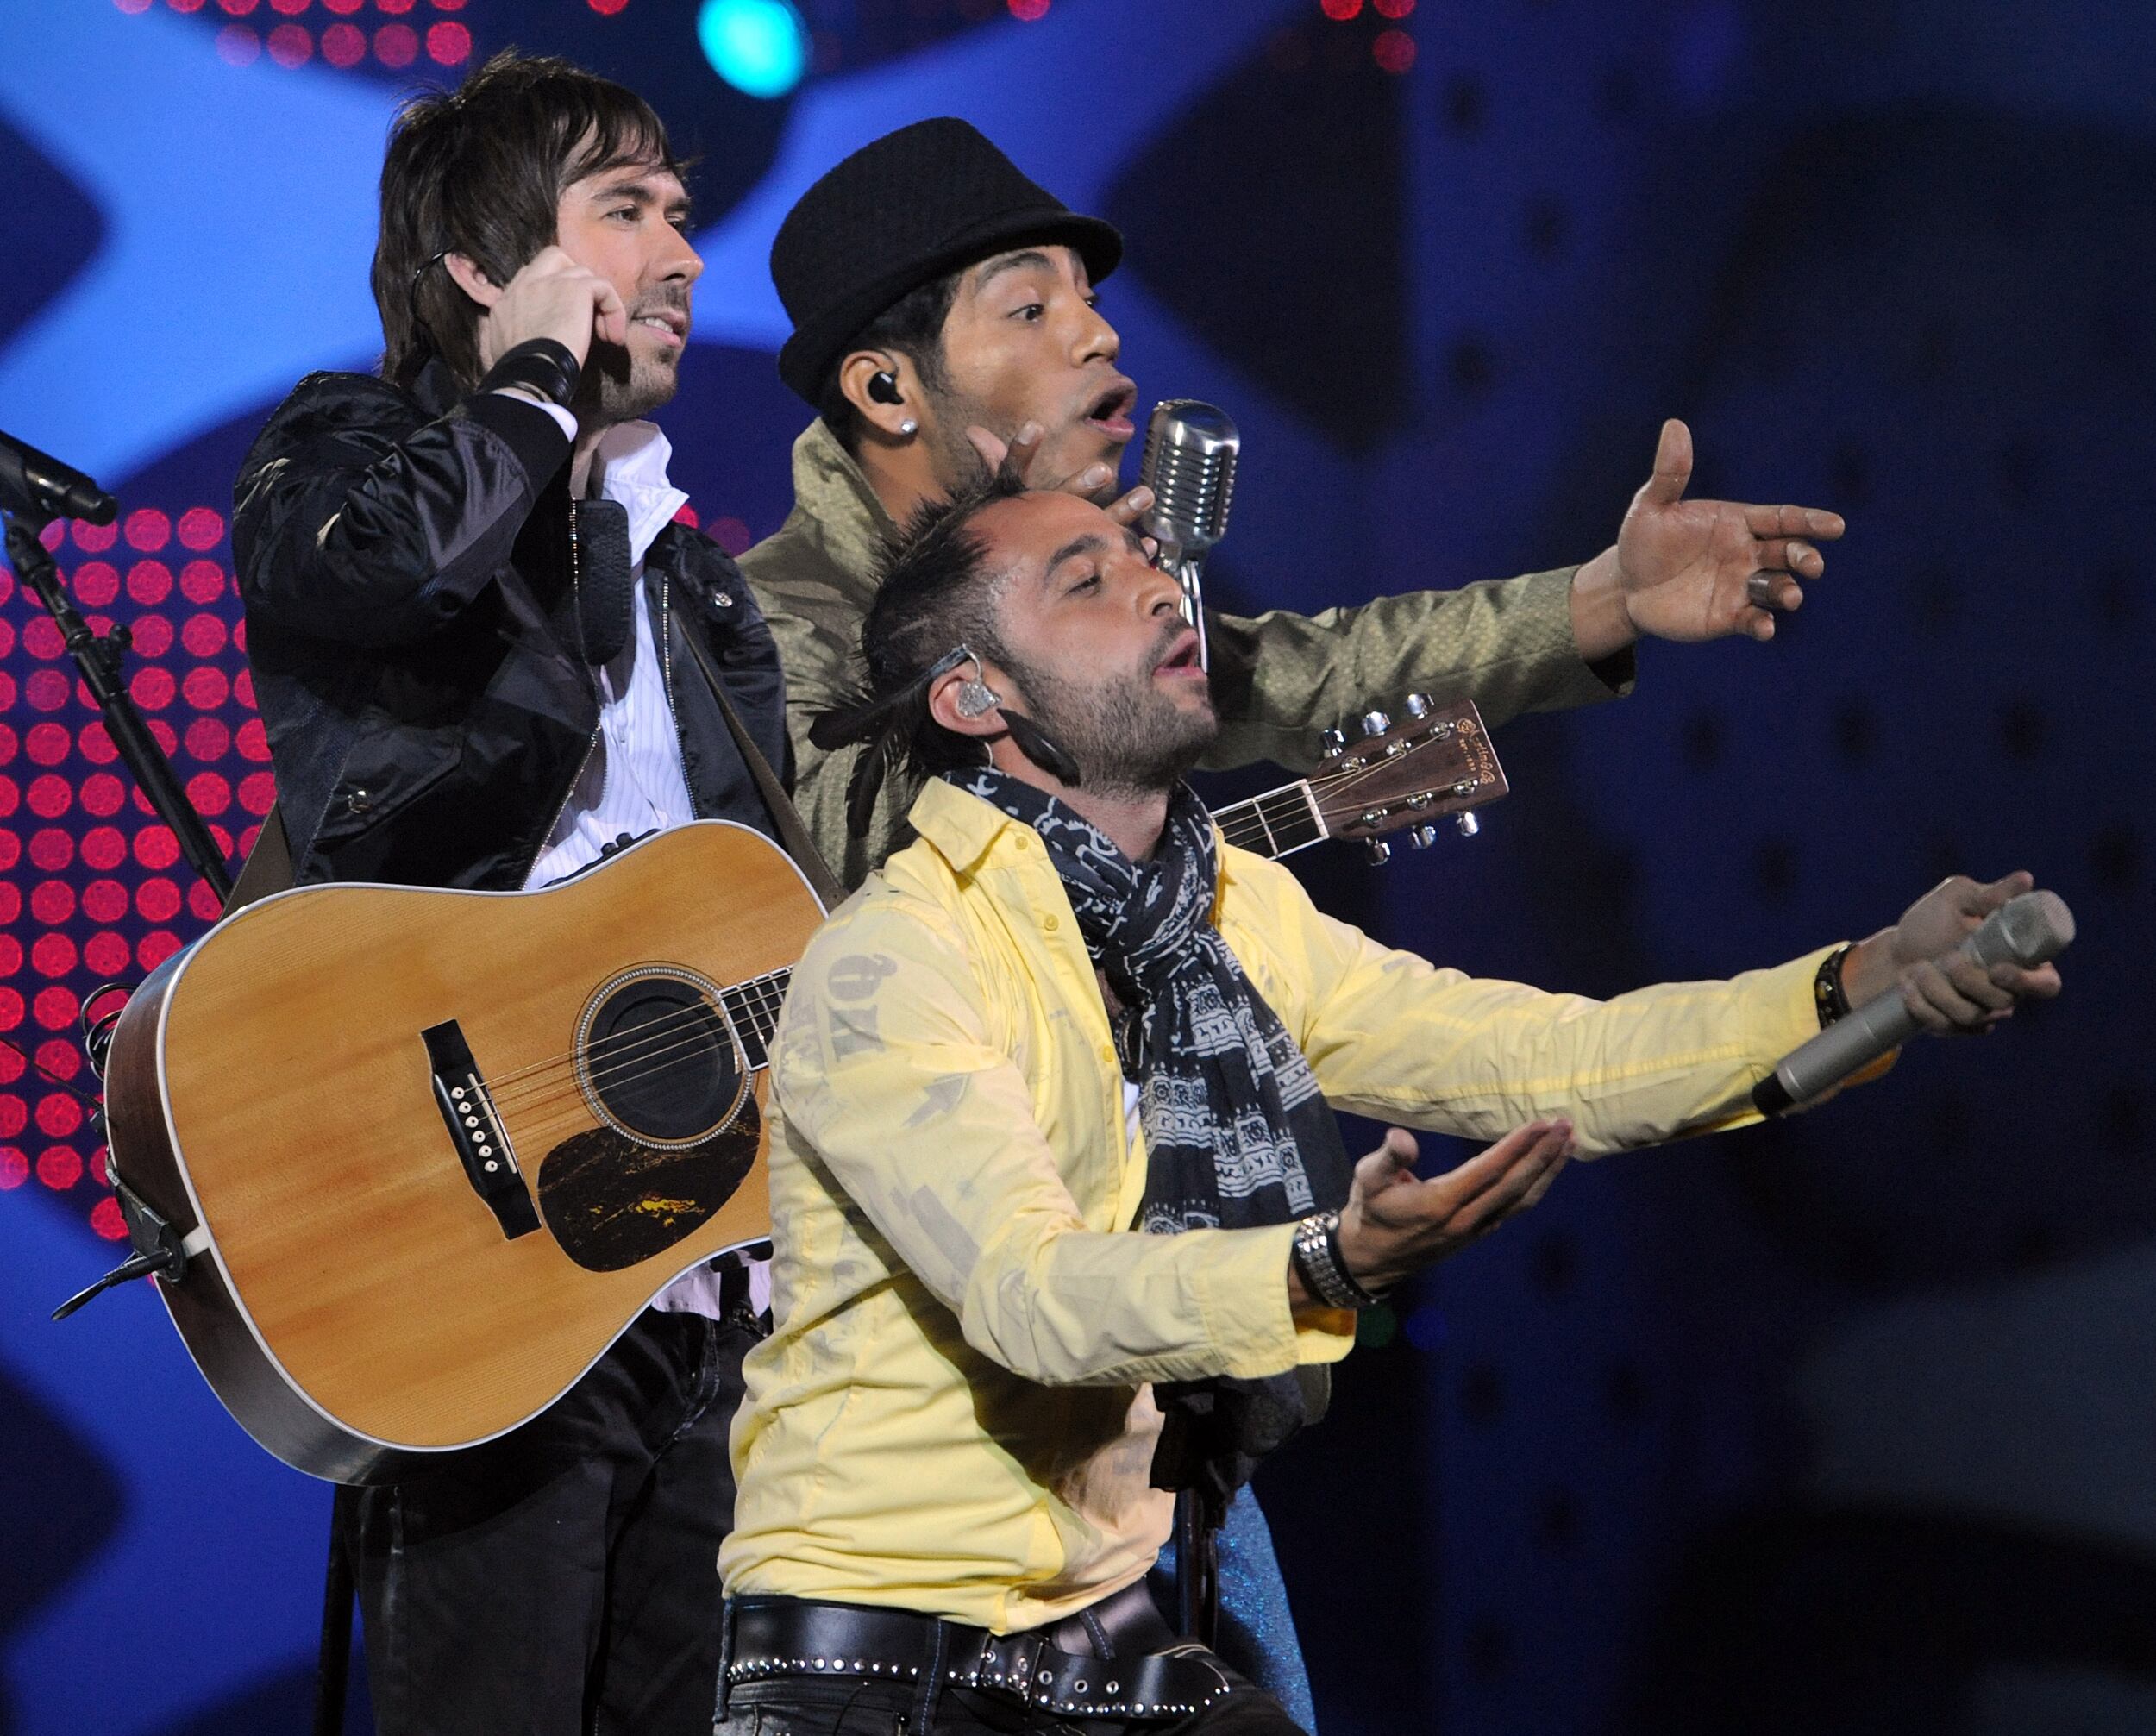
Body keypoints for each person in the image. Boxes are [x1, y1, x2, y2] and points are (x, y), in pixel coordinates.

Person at [736, 116, 1847, 1723]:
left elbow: (1316, 683)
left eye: (1090, 299)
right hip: (904, 1491)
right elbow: (915, 874)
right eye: (1029, 307)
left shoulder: (1100, 620)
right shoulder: (770, 626)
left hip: (1141, 1430)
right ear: (889, 389)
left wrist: (1599, 602)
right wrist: (1064, 635)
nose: (1099, 334)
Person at [713, 474, 2059, 1736]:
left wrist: (1852, 985)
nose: (1159, 586)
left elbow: (1546, 1057)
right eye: (1086, 581)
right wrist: (1320, 1264)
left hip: (1098, 1635)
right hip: (879, 1673)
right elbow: (1029, 1294)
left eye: (1145, 556)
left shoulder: (1229, 910)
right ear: (972, 697)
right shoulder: (896, 959)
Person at [230, 53, 788, 1736]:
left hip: (707, 1281)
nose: (685, 255)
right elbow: (394, 566)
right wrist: (540, 370)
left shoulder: (692, 574)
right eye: (626, 212)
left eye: (684, 215)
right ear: (484, 262)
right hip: (483, 1253)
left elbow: (761, 915)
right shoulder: (342, 449)